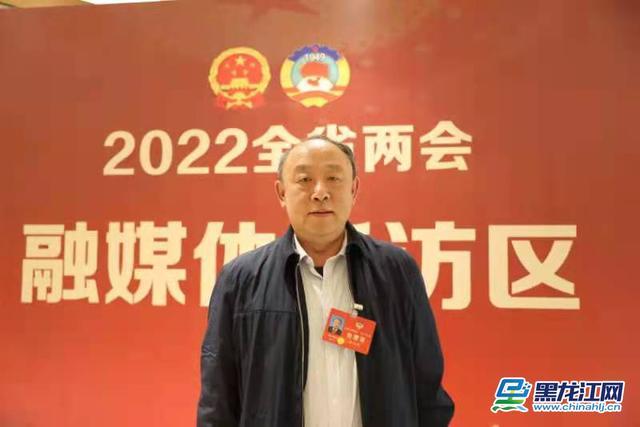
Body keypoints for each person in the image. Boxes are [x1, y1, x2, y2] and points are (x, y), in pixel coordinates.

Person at [197, 137, 454, 427]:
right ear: (281, 192)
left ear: (354, 189)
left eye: (333, 178)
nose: (320, 193)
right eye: (304, 180)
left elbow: (428, 390)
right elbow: (218, 400)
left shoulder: (397, 272)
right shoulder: (240, 280)